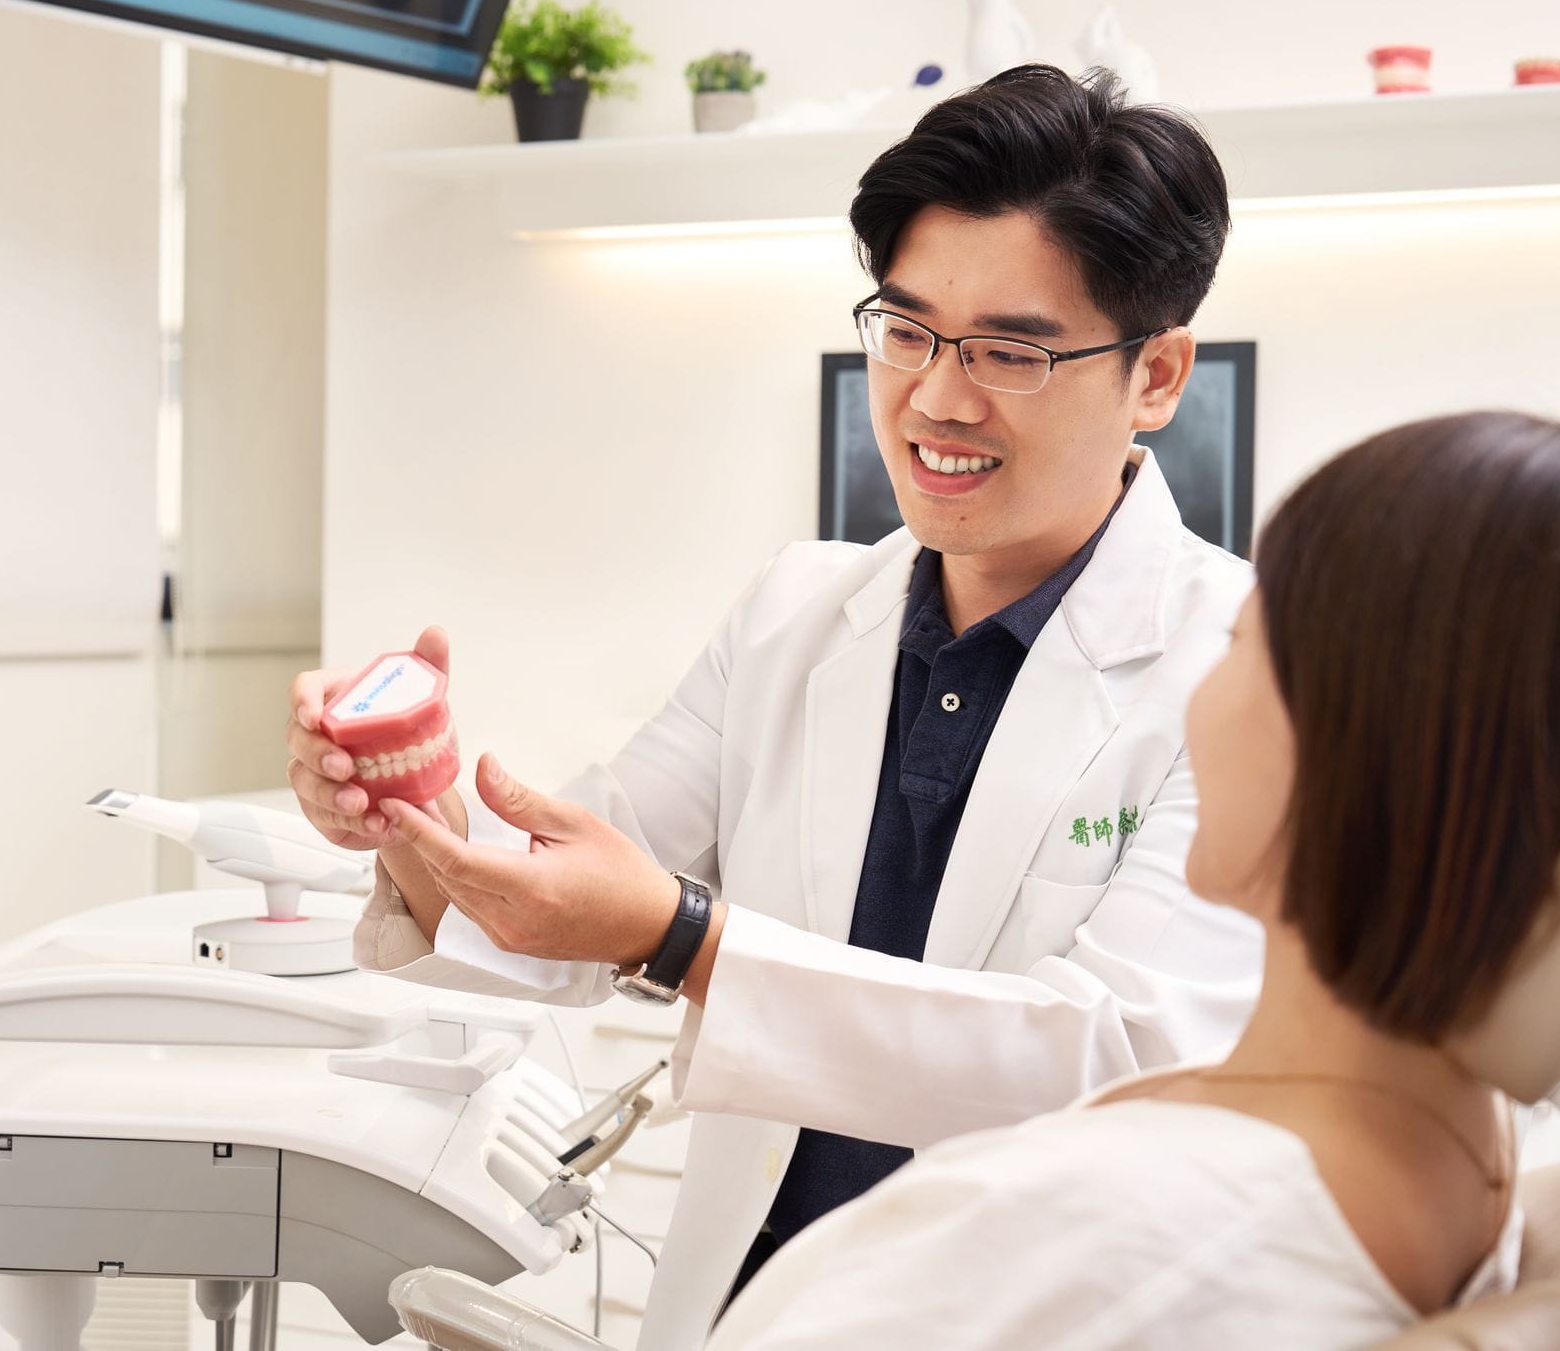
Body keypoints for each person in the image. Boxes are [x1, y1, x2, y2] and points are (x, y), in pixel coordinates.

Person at [289, 65, 1260, 1349]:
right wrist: (408, 811)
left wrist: (681, 940)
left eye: (1008, 352)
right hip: (756, 1310)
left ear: (1157, 374)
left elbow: (1117, 1064)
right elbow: (564, 895)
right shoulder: (794, 613)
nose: (936, 397)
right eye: (905, 330)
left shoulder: (1253, 664)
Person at [685, 412, 1560, 1349]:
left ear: (1353, 744)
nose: (1199, 694)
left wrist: (675, 938)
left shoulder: (1079, 1236)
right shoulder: (1455, 1162)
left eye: (1242, 644)